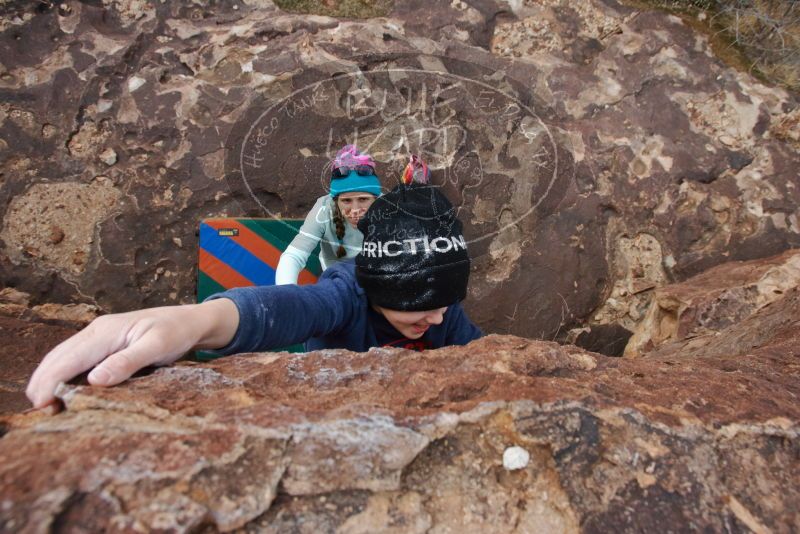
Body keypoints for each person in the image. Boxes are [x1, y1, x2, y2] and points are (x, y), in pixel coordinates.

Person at [26, 179, 482, 409]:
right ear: (379, 289)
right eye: (419, 309)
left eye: (444, 305)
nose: (438, 321)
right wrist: (192, 323)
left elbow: (480, 354)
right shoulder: (347, 295)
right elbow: (289, 309)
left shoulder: (446, 315)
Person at [275, 145, 381, 285]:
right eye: (346, 201)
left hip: (375, 277)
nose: (355, 209)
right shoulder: (324, 209)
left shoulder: (388, 208)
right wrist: (286, 294)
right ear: (335, 201)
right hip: (336, 278)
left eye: (363, 199)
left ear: (376, 198)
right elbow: (294, 256)